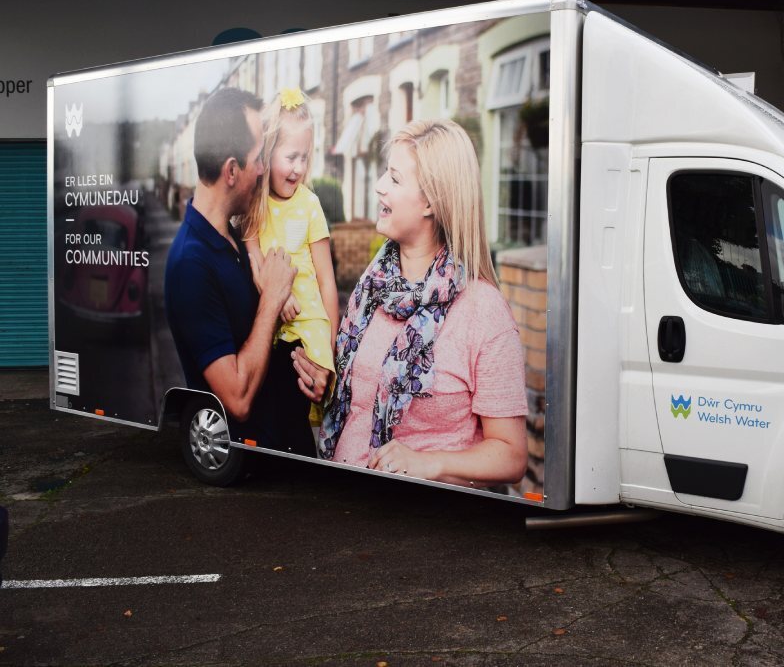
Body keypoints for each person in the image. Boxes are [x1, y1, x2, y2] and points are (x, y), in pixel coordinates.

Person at [317, 119, 528, 487]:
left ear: (430, 202)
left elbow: (511, 455)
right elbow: (356, 399)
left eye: (395, 179)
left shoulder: (483, 311)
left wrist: (427, 463)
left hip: (422, 516)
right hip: (343, 499)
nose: (380, 186)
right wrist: (321, 376)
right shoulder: (372, 288)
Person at [164, 87, 330, 455]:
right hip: (256, 468)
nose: (264, 169)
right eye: (259, 158)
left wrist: (315, 369)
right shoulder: (191, 265)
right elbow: (237, 399)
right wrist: (272, 298)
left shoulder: (239, 239)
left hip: (290, 444)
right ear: (231, 171)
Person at [240, 88, 339, 449]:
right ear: (268, 154)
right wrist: (276, 295)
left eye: (305, 157)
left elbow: (327, 281)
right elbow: (254, 255)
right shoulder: (256, 205)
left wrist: (331, 345)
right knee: (273, 424)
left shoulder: (310, 206)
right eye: (291, 156)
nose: (298, 167)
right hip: (272, 332)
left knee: (299, 426)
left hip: (308, 333)